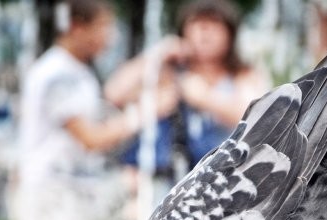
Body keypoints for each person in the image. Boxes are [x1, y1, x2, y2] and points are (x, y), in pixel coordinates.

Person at [18, 0, 144, 220]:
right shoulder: (59, 74)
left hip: (59, 195)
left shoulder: (71, 71)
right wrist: (141, 115)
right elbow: (90, 138)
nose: (110, 37)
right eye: (103, 27)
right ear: (76, 25)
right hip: (55, 196)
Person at [104, 0, 269, 192]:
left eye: (214, 23)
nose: (205, 31)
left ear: (230, 33)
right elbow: (113, 93)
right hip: (166, 180)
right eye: (196, 23)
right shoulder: (170, 71)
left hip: (222, 180)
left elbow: (260, 119)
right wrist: (157, 54)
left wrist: (206, 98)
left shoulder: (243, 74)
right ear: (183, 31)